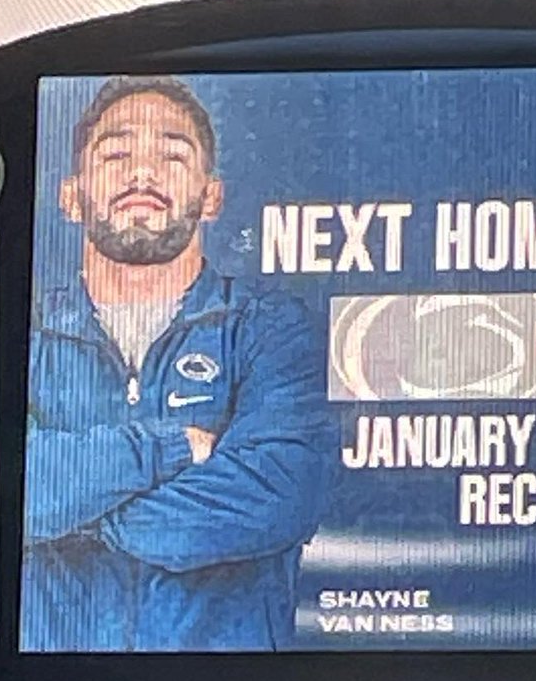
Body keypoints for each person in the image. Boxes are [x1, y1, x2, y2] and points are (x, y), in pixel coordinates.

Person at [21, 75, 335, 651]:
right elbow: (8, 488)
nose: (143, 174)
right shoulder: (25, 334)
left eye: (172, 156)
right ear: (70, 196)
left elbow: (282, 493)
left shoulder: (268, 327)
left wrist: (74, 507)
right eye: (116, 155)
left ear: (211, 197)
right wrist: (170, 449)